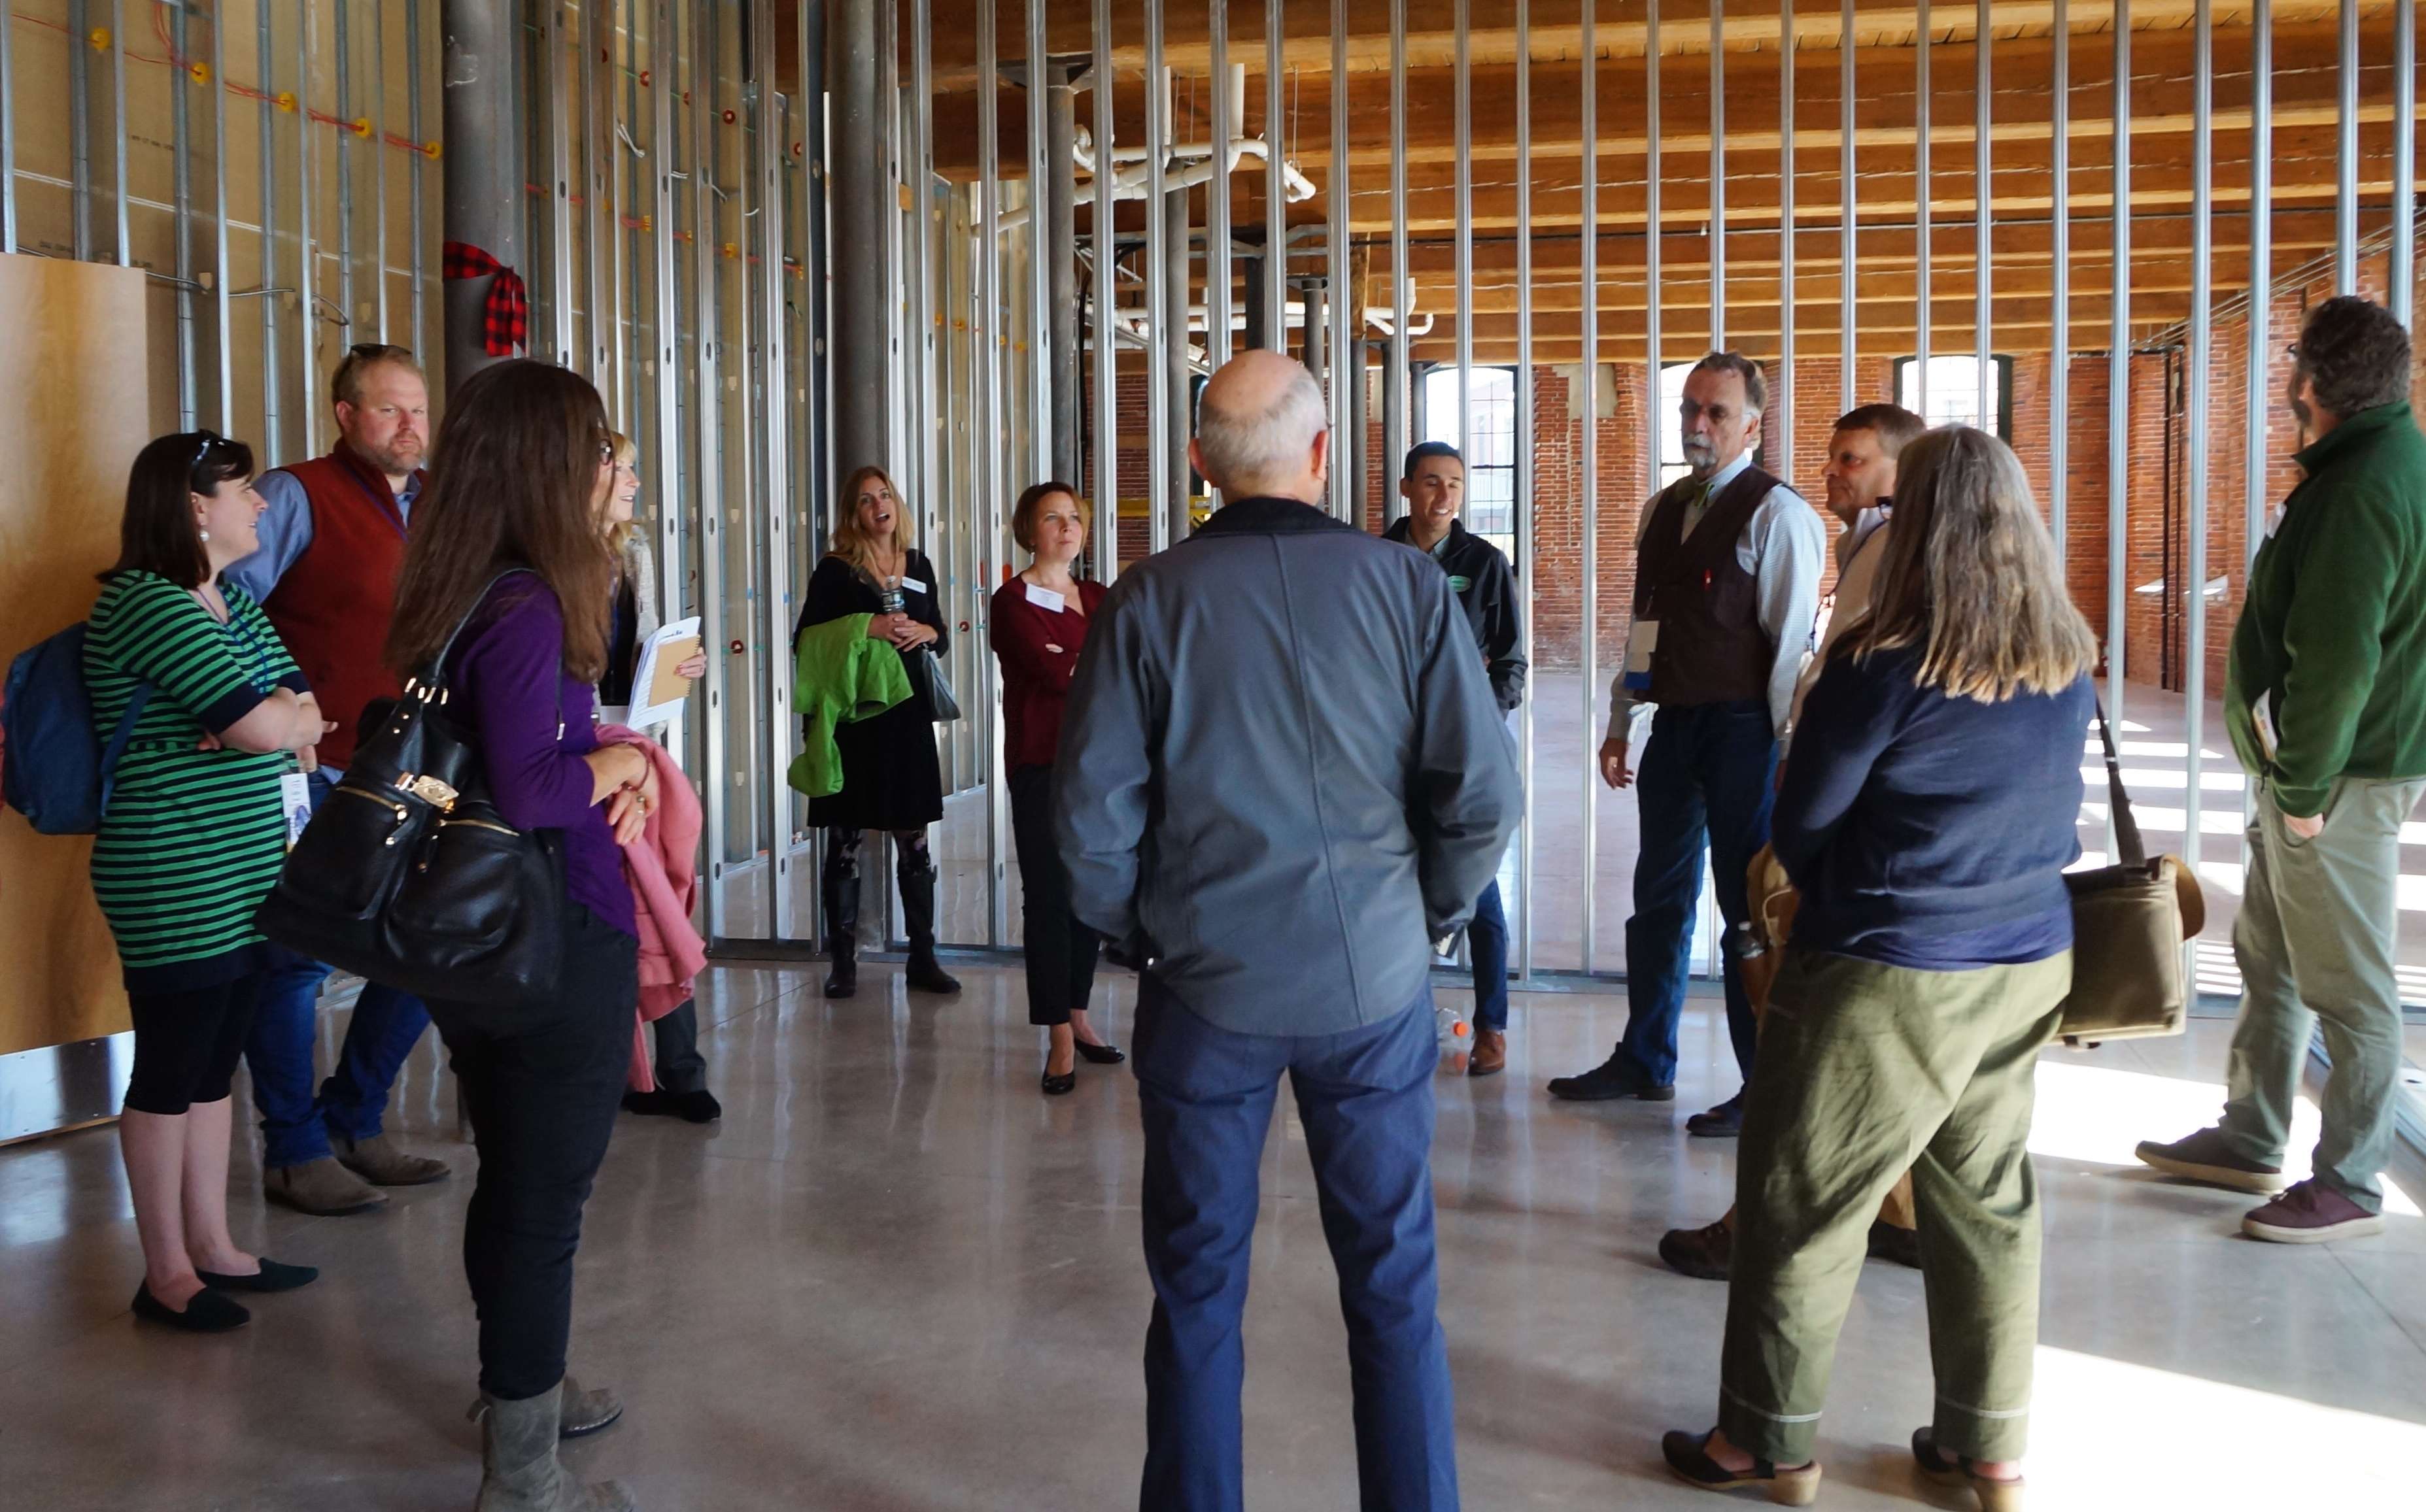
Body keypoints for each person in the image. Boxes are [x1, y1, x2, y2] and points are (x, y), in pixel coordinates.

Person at [1058, 350, 1521, 1511]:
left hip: (1206, 990)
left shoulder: (1148, 597)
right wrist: (1421, 923)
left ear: (1200, 465)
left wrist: (1145, 933)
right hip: (1373, 989)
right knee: (1393, 1286)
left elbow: (1086, 824)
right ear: (1323, 456)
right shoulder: (1410, 588)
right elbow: (1484, 797)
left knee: (1200, 1292)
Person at [1660, 427, 2093, 1511]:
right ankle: (1986, 1450)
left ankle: (1764, 1440)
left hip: (1892, 966)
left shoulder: (1881, 665)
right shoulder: (2063, 657)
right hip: (2029, 958)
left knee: (1803, 1197)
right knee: (1988, 1203)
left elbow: (1800, 825)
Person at [384, 360, 647, 1511]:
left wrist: (604, 765)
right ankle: (525, 1474)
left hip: (478, 931)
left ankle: (515, 1387)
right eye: (595, 447)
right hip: (548, 930)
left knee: (516, 1176)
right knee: (547, 1200)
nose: (608, 466)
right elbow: (537, 781)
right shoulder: (530, 602)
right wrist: (623, 761)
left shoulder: (466, 584)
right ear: (551, 463)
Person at [2138, 294, 2426, 1245]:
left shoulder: (2361, 485)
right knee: (2270, 960)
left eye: (2290, 362)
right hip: (2319, 774)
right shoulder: (2366, 464)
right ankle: (2251, 1132)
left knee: (2346, 985)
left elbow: (2339, 657)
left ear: (2307, 380)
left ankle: (2348, 1180)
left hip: (2335, 780)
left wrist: (2300, 791)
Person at [1657, 401, 1930, 1281]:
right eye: (1832, 457)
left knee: (1804, 1008)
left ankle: (1770, 1225)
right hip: (1836, 796)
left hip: (1842, 806)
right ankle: (1898, 1212)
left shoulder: (1887, 552)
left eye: (1853, 460)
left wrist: (1791, 770)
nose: (1834, 473)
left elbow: (1824, 673)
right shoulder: (1859, 547)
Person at [88, 430, 329, 1332]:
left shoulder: (228, 598)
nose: (261, 503)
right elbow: (265, 726)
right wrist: (263, 717)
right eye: (243, 490)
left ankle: (216, 1247)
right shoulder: (148, 604)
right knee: (172, 1065)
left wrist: (270, 716)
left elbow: (307, 716)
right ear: (194, 508)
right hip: (172, 868)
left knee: (215, 1064)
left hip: (245, 866)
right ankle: (165, 1274)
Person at [1550, 351, 1826, 1137]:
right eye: (1689, 410)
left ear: (1752, 422)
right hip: (1673, 726)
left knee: (1745, 911)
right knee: (1656, 901)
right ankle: (1645, 1059)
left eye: (1715, 413)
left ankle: (1762, 1084)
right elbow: (1645, 629)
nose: (1697, 426)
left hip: (1744, 732)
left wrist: (1779, 750)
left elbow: (1786, 651)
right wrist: (1618, 720)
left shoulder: (1781, 517)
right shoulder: (1661, 509)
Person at [225, 342, 450, 1215]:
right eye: (390, 410)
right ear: (346, 416)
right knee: (293, 963)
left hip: (420, 763)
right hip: (316, 767)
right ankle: (292, 1149)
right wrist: (278, 706)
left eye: (420, 410)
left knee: (426, 944)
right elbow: (227, 606)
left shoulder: (440, 508)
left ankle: (356, 1117)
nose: (410, 427)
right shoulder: (294, 493)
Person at [1382, 441, 1526, 1077]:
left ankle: (1490, 1026)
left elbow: (1512, 663)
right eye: (1432, 483)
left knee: (1479, 888)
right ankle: (1400, 1018)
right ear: (1407, 488)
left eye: (1456, 485)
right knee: (1389, 887)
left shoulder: (1483, 564)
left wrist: (1476, 723)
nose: (1444, 496)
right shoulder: (1373, 559)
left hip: (1460, 753)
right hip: (1387, 751)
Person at [793, 465, 961, 1001]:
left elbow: (939, 631)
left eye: (885, 495)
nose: (878, 506)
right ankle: (843, 961)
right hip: (855, 720)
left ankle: (923, 956)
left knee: (913, 837)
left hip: (907, 715)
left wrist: (926, 631)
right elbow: (807, 640)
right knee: (844, 836)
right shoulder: (836, 570)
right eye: (866, 500)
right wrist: (871, 625)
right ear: (853, 514)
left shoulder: (918, 564)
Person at [598, 431, 719, 1124]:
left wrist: (677, 665)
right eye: (624, 467)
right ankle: (653, 1070)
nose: (635, 481)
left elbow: (642, 648)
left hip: (639, 746)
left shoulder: (632, 551)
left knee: (663, 901)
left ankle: (676, 1070)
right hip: (587, 752)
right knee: (631, 913)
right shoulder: (550, 563)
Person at [989, 480, 1121, 1095]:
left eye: (1075, 518)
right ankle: (1057, 1036)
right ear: (1029, 530)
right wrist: (1092, 662)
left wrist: (1084, 660)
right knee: (1047, 896)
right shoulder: (1011, 601)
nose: (1067, 528)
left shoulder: (1099, 596)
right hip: (1042, 763)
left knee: (1089, 893)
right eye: (1053, 518)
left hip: (1100, 766)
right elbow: (1052, 672)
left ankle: (1080, 1011)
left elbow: (1119, 666)